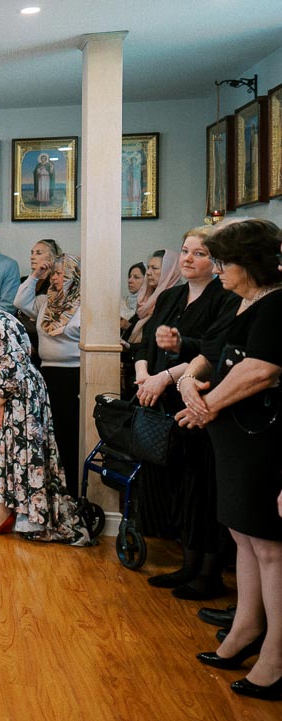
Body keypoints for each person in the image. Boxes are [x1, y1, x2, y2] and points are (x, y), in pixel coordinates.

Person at [175, 219, 282, 701]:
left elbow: (260, 370)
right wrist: (186, 383)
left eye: (225, 262)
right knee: (243, 535)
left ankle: (276, 656)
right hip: (235, 440)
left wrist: (207, 404)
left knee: (270, 546)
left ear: (251, 264)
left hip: (264, 440)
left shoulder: (279, 305)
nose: (218, 270)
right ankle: (244, 631)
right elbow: (216, 353)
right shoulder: (247, 301)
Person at [0, 280, 94, 544]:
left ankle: (11, 513)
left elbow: (15, 364)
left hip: (19, 394)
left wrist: (0, 400)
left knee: (15, 453)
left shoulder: (0, 323)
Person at [134, 226, 239, 599]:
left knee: (202, 487)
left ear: (217, 262)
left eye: (200, 253)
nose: (189, 259)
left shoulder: (224, 298)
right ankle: (188, 564)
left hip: (201, 400)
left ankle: (208, 572)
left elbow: (211, 352)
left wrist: (164, 377)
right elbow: (145, 342)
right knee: (179, 484)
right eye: (185, 251)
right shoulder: (172, 296)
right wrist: (144, 375)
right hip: (161, 398)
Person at [15, 254, 83, 495]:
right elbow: (20, 301)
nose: (56, 278)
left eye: (62, 273)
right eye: (54, 273)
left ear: (75, 275)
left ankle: (72, 488)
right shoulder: (46, 301)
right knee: (47, 432)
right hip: (47, 373)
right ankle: (50, 485)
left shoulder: (84, 302)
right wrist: (36, 275)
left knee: (68, 432)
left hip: (74, 374)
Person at [122, 262, 147, 327]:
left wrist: (127, 326)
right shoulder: (121, 302)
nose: (129, 280)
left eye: (136, 277)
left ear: (146, 280)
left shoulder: (150, 305)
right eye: (129, 277)